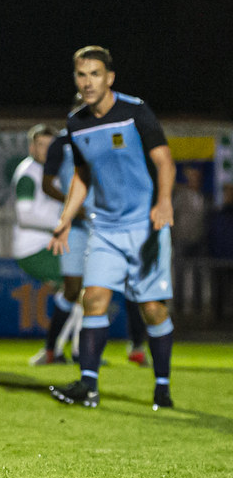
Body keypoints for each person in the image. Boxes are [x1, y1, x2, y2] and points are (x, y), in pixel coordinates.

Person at [47, 45, 176, 410]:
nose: (87, 82)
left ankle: (162, 386)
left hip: (145, 226)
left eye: (95, 74)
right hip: (104, 228)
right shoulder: (76, 123)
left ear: (110, 78)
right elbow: (82, 176)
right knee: (94, 299)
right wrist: (65, 219)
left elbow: (165, 162)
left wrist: (164, 201)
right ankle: (88, 386)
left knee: (152, 308)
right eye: (81, 75)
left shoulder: (135, 112)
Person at [42, 108, 152, 367]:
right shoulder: (62, 142)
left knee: (128, 283)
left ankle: (133, 346)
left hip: (111, 222)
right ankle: (51, 348)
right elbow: (47, 184)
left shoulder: (116, 135)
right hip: (77, 224)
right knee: (72, 289)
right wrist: (72, 208)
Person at [10, 123, 74, 364]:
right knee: (78, 286)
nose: (45, 150)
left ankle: (61, 350)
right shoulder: (28, 173)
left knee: (76, 292)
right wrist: (61, 222)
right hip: (34, 249)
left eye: (50, 145)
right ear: (31, 147)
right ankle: (59, 350)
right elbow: (24, 215)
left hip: (47, 245)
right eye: (40, 145)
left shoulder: (54, 170)